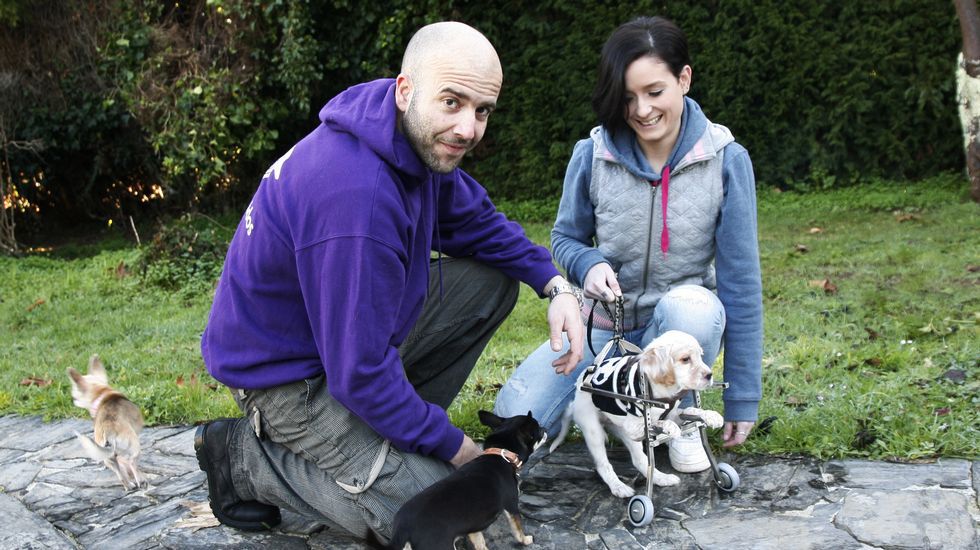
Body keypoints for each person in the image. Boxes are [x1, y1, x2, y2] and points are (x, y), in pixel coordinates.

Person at [193, 21, 584, 541]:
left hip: (338, 341)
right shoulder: (359, 200)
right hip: (284, 377)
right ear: (406, 90)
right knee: (434, 513)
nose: (468, 128)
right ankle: (242, 457)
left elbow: (478, 222)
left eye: (482, 110)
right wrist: (456, 448)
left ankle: (386, 432)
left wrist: (554, 285)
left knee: (492, 282)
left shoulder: (406, 138)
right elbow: (359, 372)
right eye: (453, 102)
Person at [494, 15, 762, 474]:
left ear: (684, 79)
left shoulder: (726, 161)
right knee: (511, 417)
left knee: (692, 308)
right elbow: (565, 238)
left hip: (677, 330)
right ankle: (624, 407)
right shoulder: (592, 154)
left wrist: (742, 396)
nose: (641, 110)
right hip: (603, 329)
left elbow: (741, 284)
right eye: (628, 97)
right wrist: (589, 262)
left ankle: (681, 417)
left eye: (654, 92)